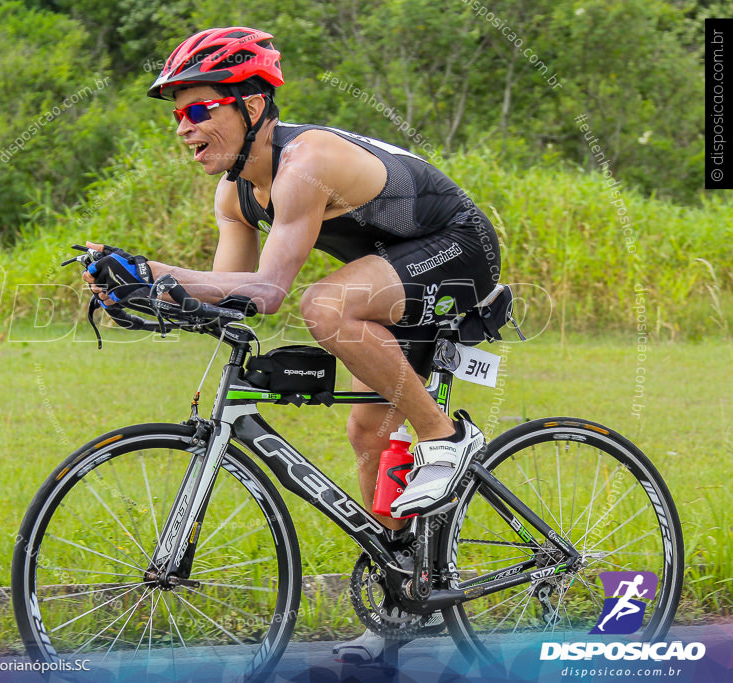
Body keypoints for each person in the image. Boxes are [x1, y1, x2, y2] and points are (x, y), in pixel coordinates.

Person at [81, 26, 501, 659]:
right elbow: (230, 290)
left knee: (323, 305)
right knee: (367, 433)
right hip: (390, 277)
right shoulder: (235, 194)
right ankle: (401, 603)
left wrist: (155, 269)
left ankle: (447, 438)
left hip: (460, 249)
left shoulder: (304, 163)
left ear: (251, 106)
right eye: (177, 115)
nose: (184, 128)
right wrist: (143, 292)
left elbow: (270, 290)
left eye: (199, 110)